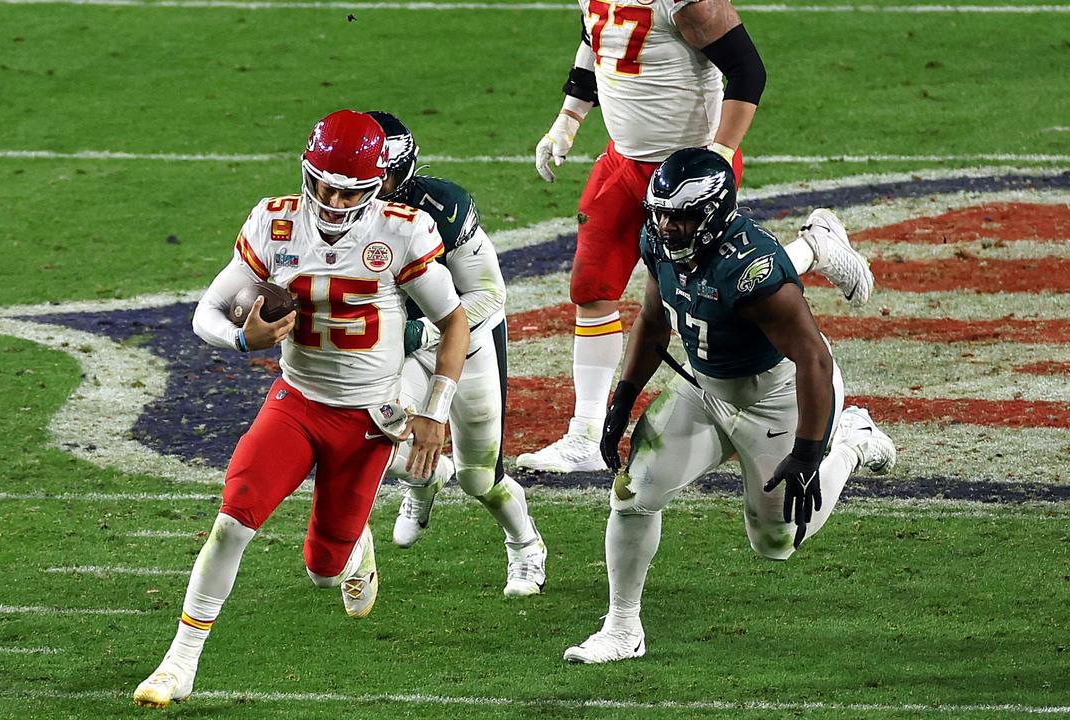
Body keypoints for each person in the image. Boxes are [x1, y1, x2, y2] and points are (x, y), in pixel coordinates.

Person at [133, 110, 469, 708]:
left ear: (378, 185)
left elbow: (453, 321)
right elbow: (205, 312)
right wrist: (243, 340)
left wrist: (436, 409)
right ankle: (178, 664)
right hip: (295, 401)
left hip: (368, 419)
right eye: (324, 183)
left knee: (323, 568)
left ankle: (354, 545)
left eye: (350, 189)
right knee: (233, 519)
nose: (334, 198)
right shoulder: (275, 221)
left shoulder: (403, 230)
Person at [563, 148, 896, 664]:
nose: (668, 226)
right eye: (663, 213)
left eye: (682, 216)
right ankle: (622, 627)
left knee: (777, 541)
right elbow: (653, 318)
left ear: (714, 214)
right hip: (703, 388)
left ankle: (851, 442)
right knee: (633, 492)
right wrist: (622, 399)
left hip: (776, 398)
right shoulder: (657, 237)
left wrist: (810, 454)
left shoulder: (752, 269)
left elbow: (814, 361)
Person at [519, 0, 874, 473]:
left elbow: (748, 70)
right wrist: (568, 119)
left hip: (690, 178)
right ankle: (583, 434)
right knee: (591, 287)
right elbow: (596, 39)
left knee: (715, 292)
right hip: (622, 162)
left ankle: (813, 246)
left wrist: (721, 154)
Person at [365, 111, 546, 598]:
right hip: (396, 348)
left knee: (479, 476)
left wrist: (420, 331)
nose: (366, 187)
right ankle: (425, 479)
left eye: (378, 175)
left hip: (465, 343)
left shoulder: (441, 208)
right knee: (374, 441)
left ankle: (525, 544)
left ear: (401, 171)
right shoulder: (334, 214)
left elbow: (488, 296)